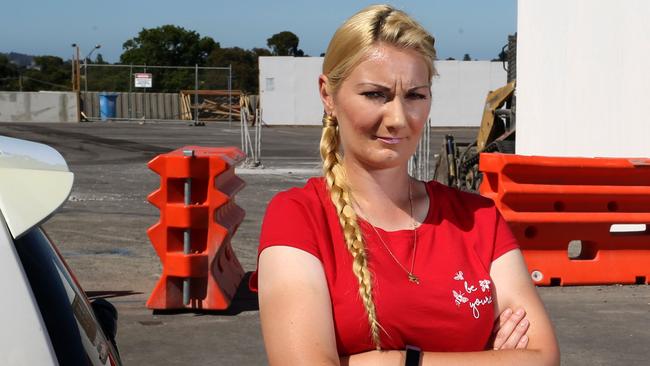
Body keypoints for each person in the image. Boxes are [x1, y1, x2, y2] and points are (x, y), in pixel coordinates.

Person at [252, 4, 560, 365]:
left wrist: (396, 362)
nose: (398, 118)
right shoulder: (301, 218)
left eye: (415, 96)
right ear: (327, 95)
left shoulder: (478, 220)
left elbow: (542, 358)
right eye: (374, 94)